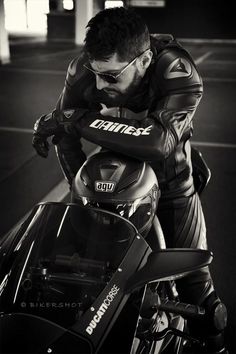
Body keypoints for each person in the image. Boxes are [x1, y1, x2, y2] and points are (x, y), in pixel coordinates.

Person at [32, 7, 227, 353]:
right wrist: (83, 199)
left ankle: (217, 348)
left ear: (144, 60)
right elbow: (63, 136)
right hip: (108, 195)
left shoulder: (176, 70)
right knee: (81, 284)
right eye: (95, 73)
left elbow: (158, 143)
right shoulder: (85, 69)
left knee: (198, 292)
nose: (98, 86)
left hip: (171, 190)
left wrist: (77, 121)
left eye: (110, 77)